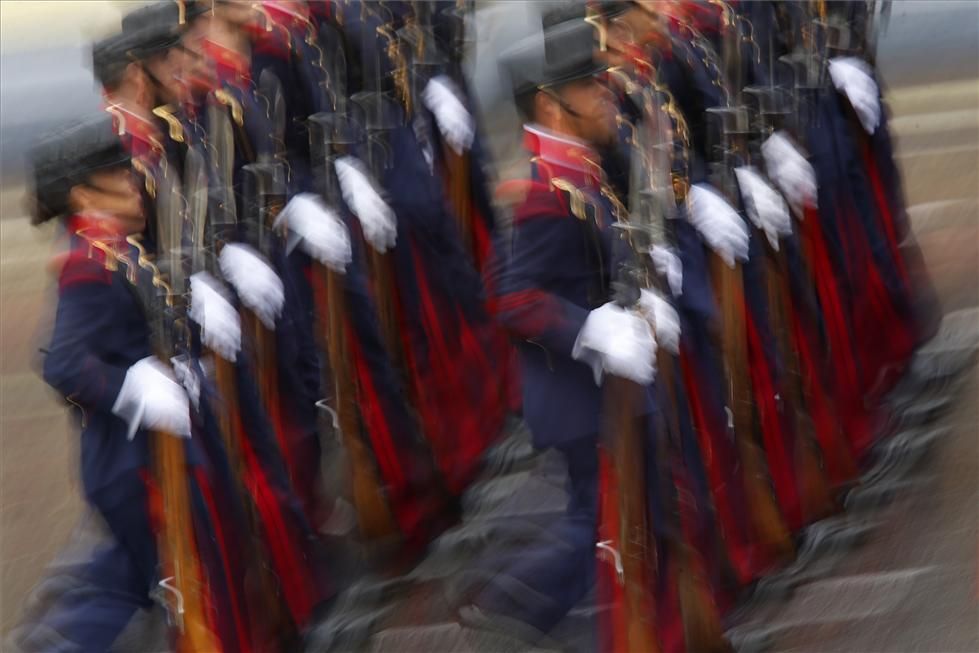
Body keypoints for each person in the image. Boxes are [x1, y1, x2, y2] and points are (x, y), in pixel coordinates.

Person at [459, 9, 662, 644]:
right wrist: (590, 329)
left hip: (602, 386)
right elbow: (512, 296)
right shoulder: (547, 189)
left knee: (615, 513)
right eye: (589, 88)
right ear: (551, 107)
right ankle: (509, 602)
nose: (606, 95)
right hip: (578, 394)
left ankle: (519, 605)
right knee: (600, 519)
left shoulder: (581, 171)